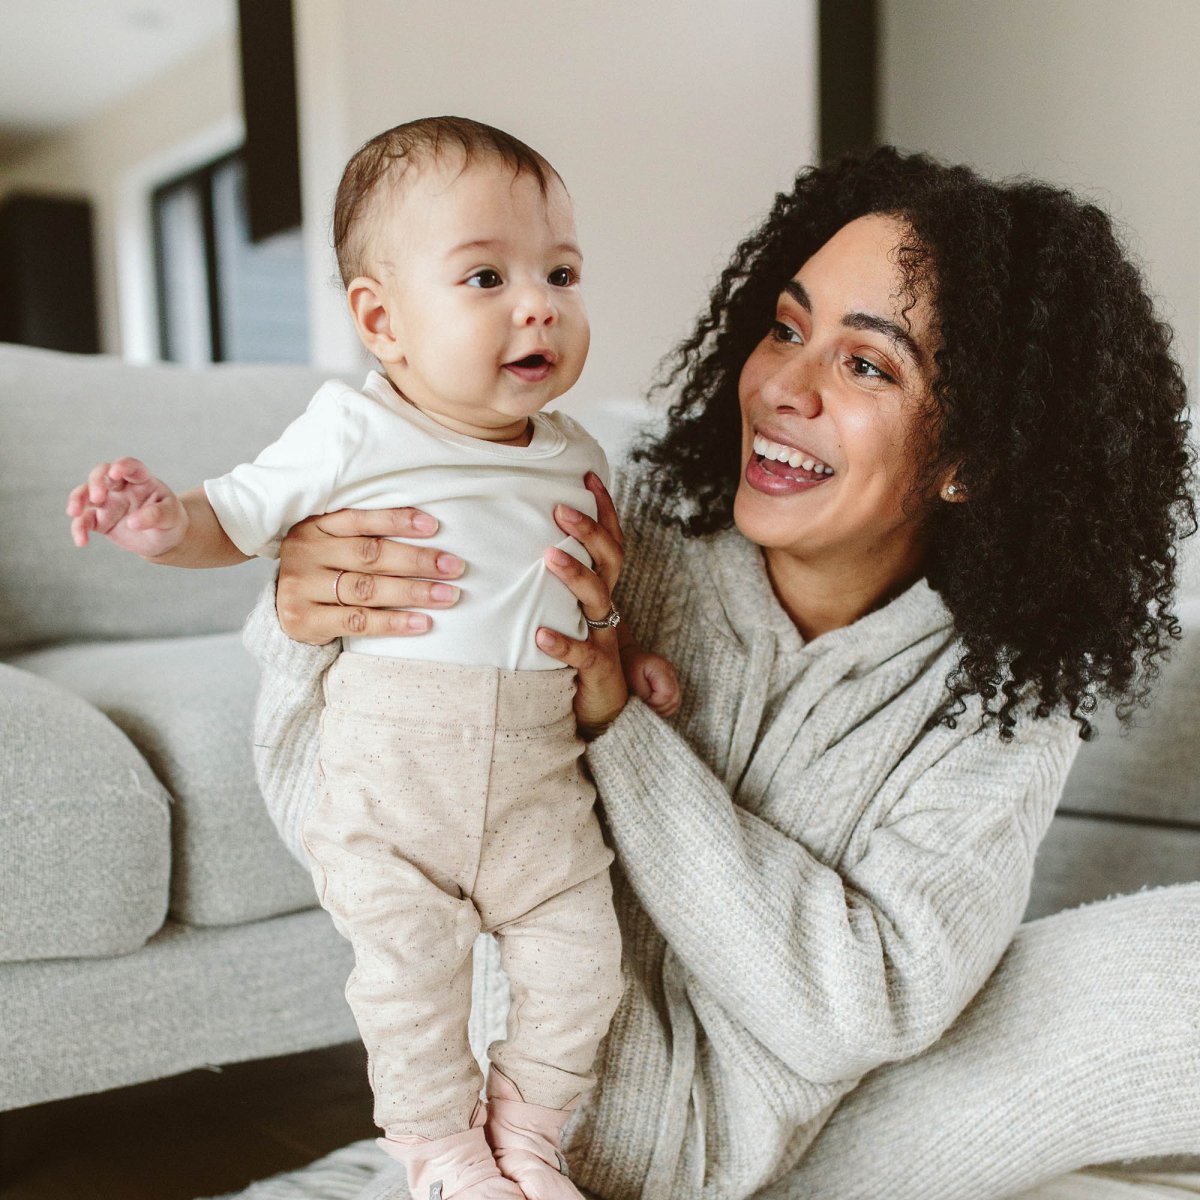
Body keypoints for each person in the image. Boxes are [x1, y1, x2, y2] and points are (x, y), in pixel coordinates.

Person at [245, 146, 1200, 1200]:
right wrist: (307, 630)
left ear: (975, 456)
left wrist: (621, 727)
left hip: (787, 1169)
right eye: (787, 329)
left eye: (867, 364)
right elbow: (334, 817)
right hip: (501, 1161)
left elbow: (865, 1005)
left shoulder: (1004, 701)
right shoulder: (593, 528)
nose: (784, 386)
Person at [67, 116, 681, 1200]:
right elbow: (237, 515)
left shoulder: (580, 452)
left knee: (586, 966)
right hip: (394, 781)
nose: (537, 301)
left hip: (540, 784)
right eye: (485, 275)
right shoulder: (351, 431)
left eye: (561, 271)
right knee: (411, 987)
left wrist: (633, 661)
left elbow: (592, 603)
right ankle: (442, 1157)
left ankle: (529, 1133)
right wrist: (162, 522)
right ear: (382, 320)